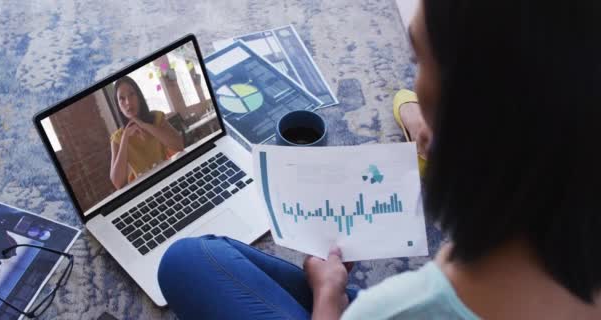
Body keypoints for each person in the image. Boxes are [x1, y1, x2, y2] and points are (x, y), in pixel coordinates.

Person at [157, 0, 601, 318]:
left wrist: (330, 300)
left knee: (185, 262)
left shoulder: (395, 309)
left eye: (419, 61)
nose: (416, 82)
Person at [109, 76, 184, 189]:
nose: (128, 102)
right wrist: (125, 138)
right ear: (119, 106)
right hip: (144, 188)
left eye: (132, 94)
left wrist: (145, 126)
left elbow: (179, 145)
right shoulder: (118, 137)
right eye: (122, 99)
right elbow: (117, 183)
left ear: (139, 96)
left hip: (168, 177)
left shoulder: (156, 118)